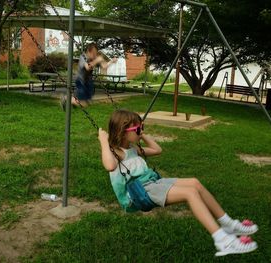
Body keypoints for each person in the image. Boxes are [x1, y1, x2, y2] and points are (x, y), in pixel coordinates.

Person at [98, 109, 258, 256]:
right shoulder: (116, 153)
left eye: (142, 127)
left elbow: (157, 149)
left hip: (154, 183)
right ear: (122, 132)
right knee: (190, 193)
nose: (141, 132)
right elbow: (110, 165)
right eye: (138, 130)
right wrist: (104, 141)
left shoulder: (133, 149)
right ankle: (222, 240)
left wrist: (141, 134)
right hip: (139, 193)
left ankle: (227, 223)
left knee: (194, 183)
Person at [60, 43, 117, 111]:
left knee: (87, 103)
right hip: (81, 81)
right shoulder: (83, 57)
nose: (94, 55)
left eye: (95, 53)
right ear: (88, 51)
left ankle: (72, 101)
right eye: (93, 53)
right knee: (83, 104)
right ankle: (66, 98)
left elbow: (104, 66)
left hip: (88, 81)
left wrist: (111, 61)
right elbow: (87, 67)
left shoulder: (95, 57)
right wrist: (97, 60)